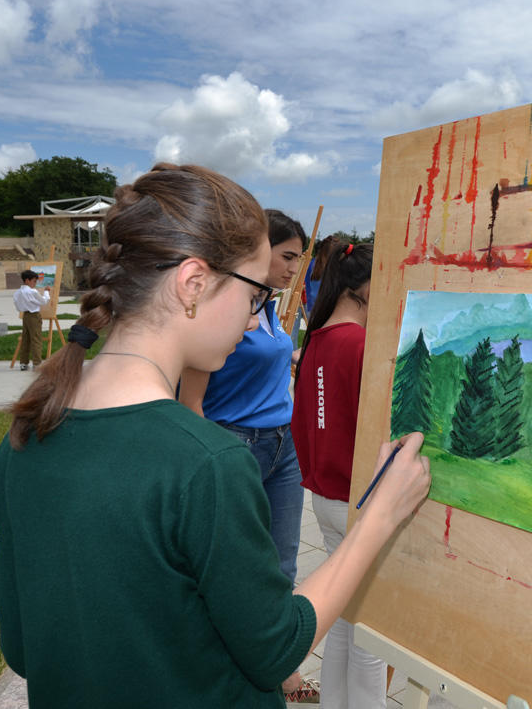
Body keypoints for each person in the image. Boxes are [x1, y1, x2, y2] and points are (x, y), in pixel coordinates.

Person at [0, 163, 430, 708]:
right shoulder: (206, 463)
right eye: (253, 297)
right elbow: (274, 649)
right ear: (193, 284)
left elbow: (23, 649)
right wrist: (380, 517)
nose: (253, 319)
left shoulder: (28, 431)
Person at [176, 208, 310, 697]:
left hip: (282, 443)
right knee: (235, 569)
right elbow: (191, 401)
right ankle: (236, 663)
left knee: (283, 561)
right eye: (287, 256)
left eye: (299, 258)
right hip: (235, 443)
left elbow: (273, 361)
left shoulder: (272, 307)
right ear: (257, 251)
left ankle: (280, 665)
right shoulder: (221, 311)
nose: (294, 267)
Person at [291, 241, 386, 709]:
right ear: (358, 288)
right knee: (370, 633)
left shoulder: (317, 339)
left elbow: (310, 420)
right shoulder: (361, 344)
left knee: (346, 623)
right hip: (359, 501)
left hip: (327, 497)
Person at [12, 269, 50, 370]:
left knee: (26, 339)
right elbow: (43, 301)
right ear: (27, 280)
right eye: (34, 281)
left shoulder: (17, 293)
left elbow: (17, 306)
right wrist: (46, 292)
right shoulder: (32, 291)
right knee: (36, 339)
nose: (35, 283)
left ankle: (23, 363)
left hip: (25, 316)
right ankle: (37, 363)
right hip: (34, 315)